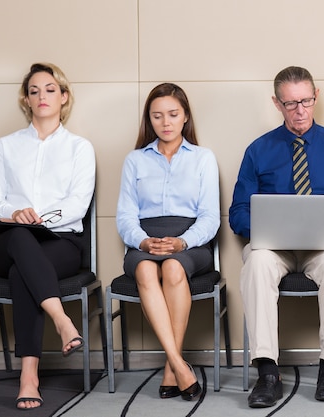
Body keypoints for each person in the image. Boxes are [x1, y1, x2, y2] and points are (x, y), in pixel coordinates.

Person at [229, 66, 324, 408]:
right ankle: (267, 373)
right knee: (258, 263)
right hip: (274, 247)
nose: (300, 110)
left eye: (305, 101)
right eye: (290, 103)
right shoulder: (258, 150)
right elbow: (237, 213)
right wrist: (266, 228)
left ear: (316, 96)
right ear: (277, 103)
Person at [0, 63, 95, 410]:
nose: (42, 96)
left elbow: (77, 205)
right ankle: (62, 321)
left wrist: (38, 218)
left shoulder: (79, 148)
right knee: (18, 239)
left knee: (23, 270)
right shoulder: (5, 146)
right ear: (26, 100)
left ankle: (28, 375)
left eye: (49, 89)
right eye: (34, 91)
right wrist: (13, 216)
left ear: (63, 97)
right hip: (8, 242)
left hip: (61, 244)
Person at [116, 83, 220, 401]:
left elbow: (211, 217)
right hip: (144, 242)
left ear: (185, 117)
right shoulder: (135, 160)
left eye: (173, 114)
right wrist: (144, 242)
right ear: (149, 120)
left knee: (174, 269)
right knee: (147, 272)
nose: (166, 122)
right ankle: (177, 363)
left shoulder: (203, 158)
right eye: (158, 116)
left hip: (191, 243)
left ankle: (169, 368)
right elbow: (124, 217)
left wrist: (182, 242)